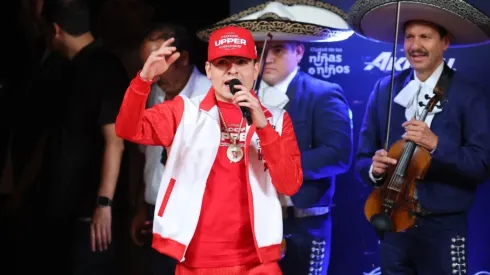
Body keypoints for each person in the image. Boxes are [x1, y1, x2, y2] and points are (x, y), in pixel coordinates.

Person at [115, 25, 303, 275]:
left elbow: (290, 185)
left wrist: (264, 127)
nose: (232, 70)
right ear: (208, 70)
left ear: (255, 68)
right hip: (197, 260)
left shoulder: (277, 119)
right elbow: (128, 129)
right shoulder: (183, 112)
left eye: (241, 62)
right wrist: (144, 80)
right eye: (222, 62)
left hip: (258, 262)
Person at [196, 2, 354, 274]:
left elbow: (337, 155)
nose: (266, 58)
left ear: (300, 52)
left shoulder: (323, 93)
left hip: (301, 223)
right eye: (259, 52)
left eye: (278, 50)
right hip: (247, 222)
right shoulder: (239, 96)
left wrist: (278, 164)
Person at [350, 0, 490, 274]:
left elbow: (481, 164)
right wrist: (374, 170)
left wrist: (436, 145)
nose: (415, 46)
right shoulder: (384, 89)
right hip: (392, 224)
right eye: (409, 37)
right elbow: (363, 158)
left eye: (425, 37)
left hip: (444, 228)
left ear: (445, 42)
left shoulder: (470, 95)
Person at [37, 0, 131, 274]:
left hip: (91, 214)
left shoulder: (104, 68)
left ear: (55, 30)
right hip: (64, 205)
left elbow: (116, 141)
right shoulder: (69, 67)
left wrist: (103, 204)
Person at [130, 22, 211, 275]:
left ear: (183, 58)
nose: (150, 75)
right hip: (155, 216)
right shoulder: (153, 93)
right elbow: (145, 156)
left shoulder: (212, 98)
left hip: (198, 222)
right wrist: (141, 206)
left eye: (158, 66)